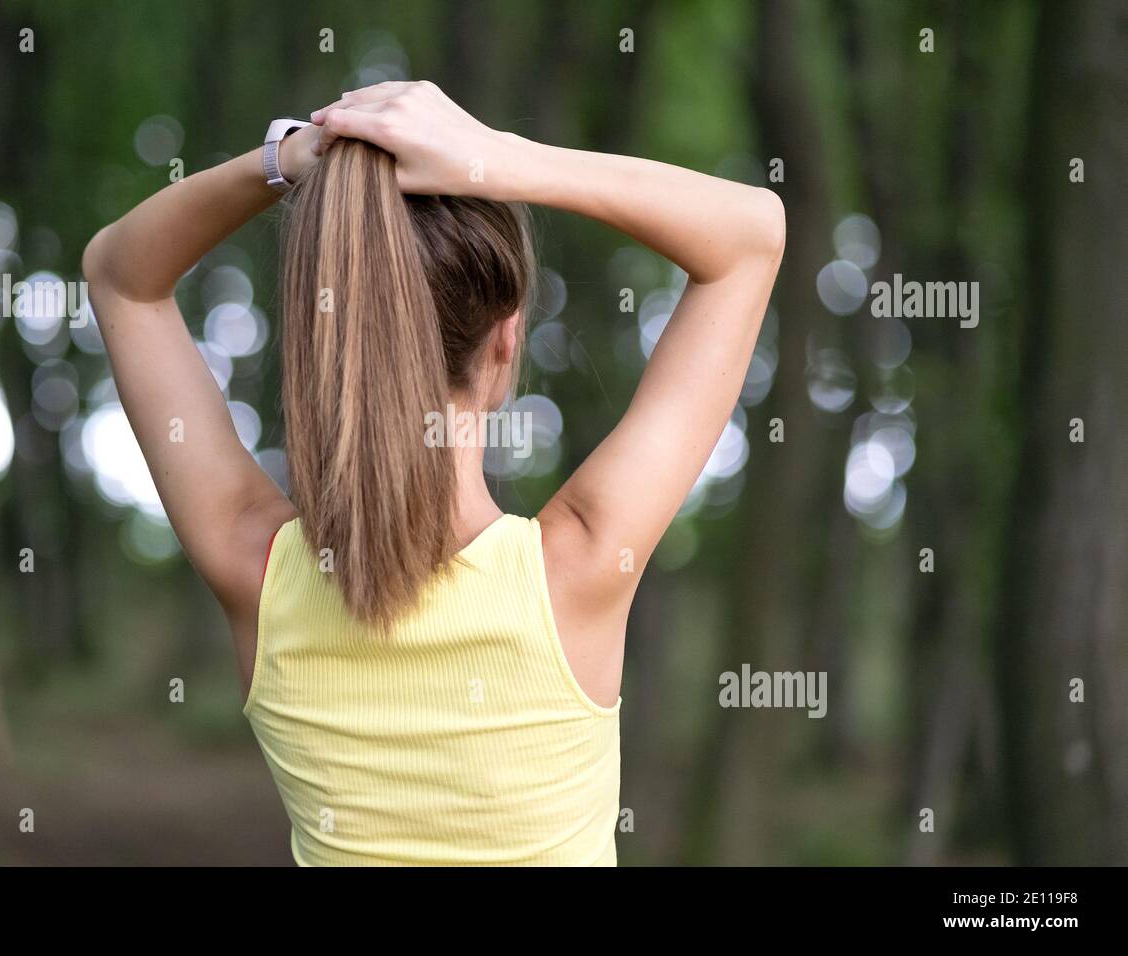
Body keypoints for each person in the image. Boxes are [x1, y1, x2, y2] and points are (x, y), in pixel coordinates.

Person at [82, 80, 785, 865]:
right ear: (505, 340)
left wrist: (292, 159)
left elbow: (119, 275)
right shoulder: (578, 569)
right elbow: (752, 235)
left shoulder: (258, 572)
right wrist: (499, 159)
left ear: (325, 349)